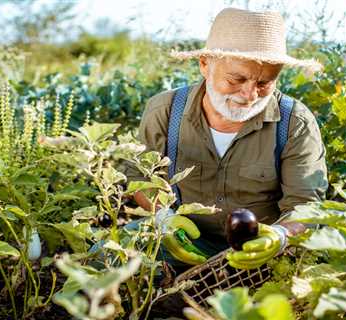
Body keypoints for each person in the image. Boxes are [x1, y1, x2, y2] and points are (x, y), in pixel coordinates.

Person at [126, 8, 328, 271]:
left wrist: (280, 238)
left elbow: (306, 204)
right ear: (205, 65)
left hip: (259, 252)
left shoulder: (295, 123)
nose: (250, 94)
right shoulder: (164, 110)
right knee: (105, 259)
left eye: (265, 83)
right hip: (182, 241)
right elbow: (139, 175)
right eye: (236, 79)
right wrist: (164, 218)